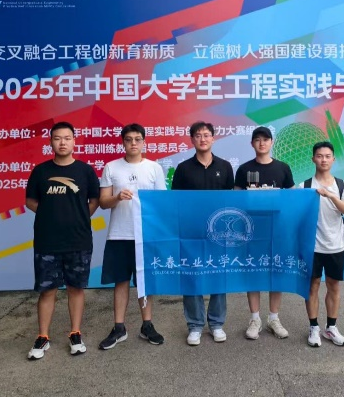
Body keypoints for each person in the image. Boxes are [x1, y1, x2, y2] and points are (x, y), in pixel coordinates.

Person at [25, 121, 100, 360]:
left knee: (75, 288)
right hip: (47, 241)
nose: (62, 143)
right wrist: (50, 216)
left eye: (67, 138)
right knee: (47, 290)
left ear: (74, 141)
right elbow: (30, 201)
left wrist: (78, 217)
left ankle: (75, 333)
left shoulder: (85, 171)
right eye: (57, 138)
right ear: (51, 142)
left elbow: (95, 200)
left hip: (78, 240)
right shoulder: (40, 171)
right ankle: (43, 336)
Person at [97, 123, 167, 350]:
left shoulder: (154, 168)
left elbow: (161, 204)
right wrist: (117, 197)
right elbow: (103, 202)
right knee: (121, 281)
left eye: (137, 139)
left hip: (145, 235)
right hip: (119, 234)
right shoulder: (111, 167)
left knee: (145, 282)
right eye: (129, 140)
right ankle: (119, 327)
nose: (133, 143)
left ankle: (147, 325)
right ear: (123, 143)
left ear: (144, 142)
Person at [171, 121, 235, 346]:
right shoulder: (183, 168)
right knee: (192, 276)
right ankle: (195, 325)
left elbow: (230, 200)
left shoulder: (225, 166)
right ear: (192, 140)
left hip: (219, 232)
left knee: (219, 275)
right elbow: (176, 201)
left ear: (213, 138)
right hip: (191, 232)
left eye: (206, 135)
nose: (203, 139)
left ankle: (217, 323)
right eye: (198, 135)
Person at [234, 126, 295, 340]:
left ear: (272, 142)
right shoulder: (244, 169)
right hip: (251, 229)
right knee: (253, 270)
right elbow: (236, 200)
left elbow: (292, 198)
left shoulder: (283, 168)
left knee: (276, 270)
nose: (262, 143)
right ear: (252, 143)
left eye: (266, 139)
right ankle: (255, 319)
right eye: (257, 139)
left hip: (277, 228)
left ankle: (274, 318)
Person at [299, 141, 344, 347]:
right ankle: (313, 327)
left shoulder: (343, 185)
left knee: (333, 285)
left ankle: (331, 328)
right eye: (320, 156)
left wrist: (330, 195)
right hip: (311, 247)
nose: (323, 160)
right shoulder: (304, 187)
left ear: (333, 159)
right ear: (313, 159)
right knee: (312, 286)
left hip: (336, 244)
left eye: (327, 156)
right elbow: (296, 215)